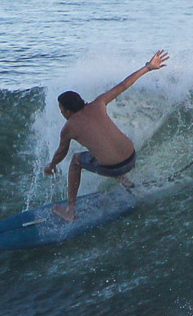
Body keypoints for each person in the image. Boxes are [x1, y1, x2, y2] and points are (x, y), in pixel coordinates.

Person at [43, 50, 169, 222]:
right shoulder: (99, 103)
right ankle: (128, 184)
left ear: (67, 110)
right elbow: (124, 85)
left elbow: (60, 153)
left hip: (115, 167)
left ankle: (70, 210)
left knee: (76, 160)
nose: (61, 112)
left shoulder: (69, 127)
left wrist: (51, 165)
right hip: (131, 157)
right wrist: (148, 67)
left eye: (61, 109)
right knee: (103, 152)